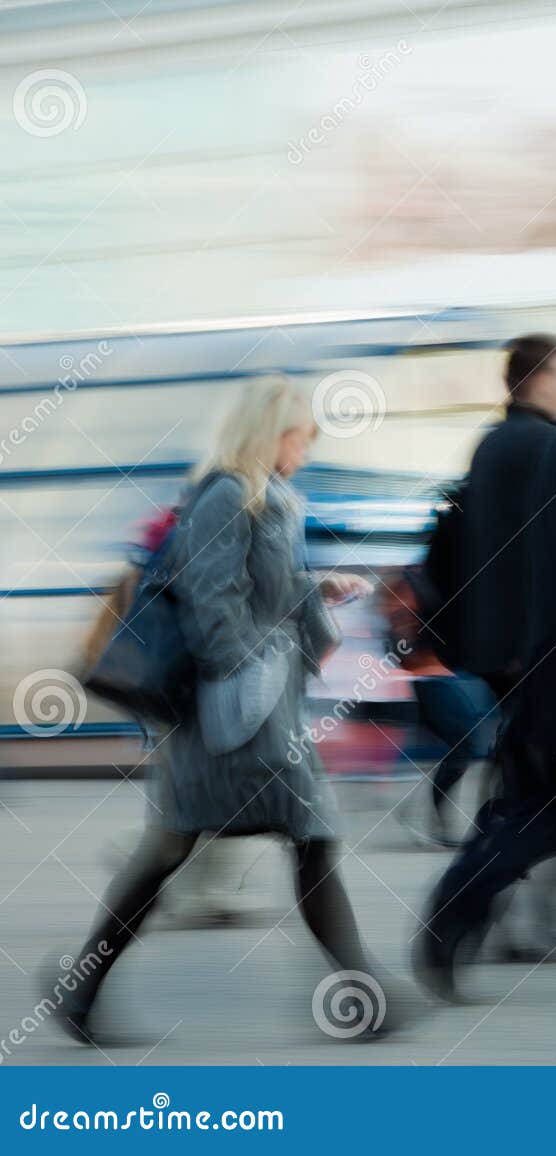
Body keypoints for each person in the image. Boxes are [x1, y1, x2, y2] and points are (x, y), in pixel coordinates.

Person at [49, 376, 398, 1046]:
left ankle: (81, 989)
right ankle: (365, 996)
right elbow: (212, 603)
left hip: (250, 706)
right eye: (299, 436)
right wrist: (248, 674)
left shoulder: (267, 498)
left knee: (174, 848)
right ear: (270, 432)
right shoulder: (227, 494)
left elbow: (253, 586)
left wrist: (314, 585)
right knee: (307, 834)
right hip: (234, 712)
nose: (305, 448)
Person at [415, 334, 556, 994]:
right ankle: (457, 910)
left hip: (504, 651)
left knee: (529, 789)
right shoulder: (541, 446)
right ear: (535, 379)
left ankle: (484, 921)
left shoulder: (493, 444)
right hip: (543, 653)